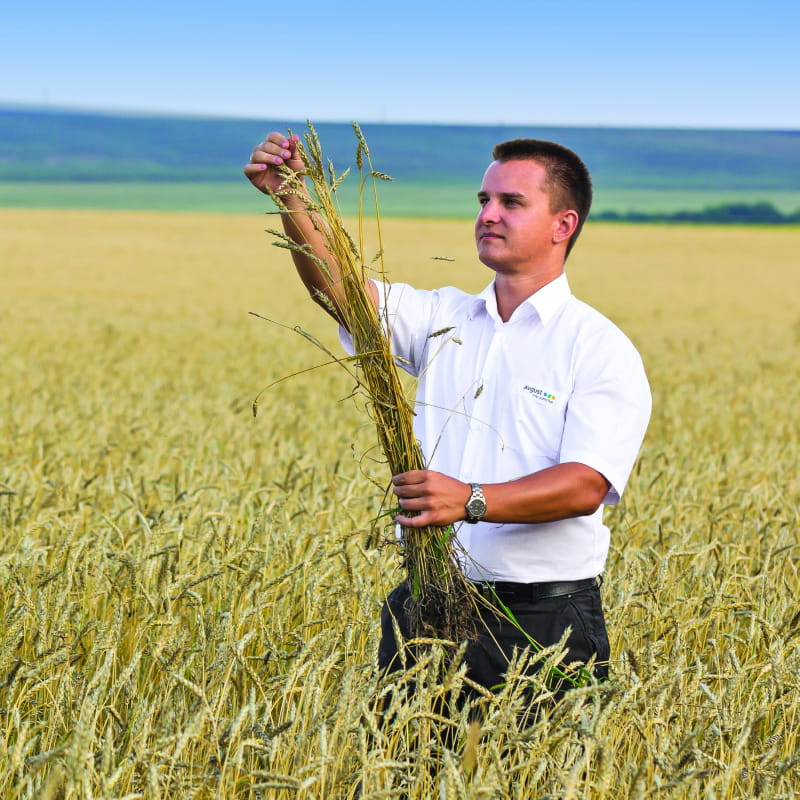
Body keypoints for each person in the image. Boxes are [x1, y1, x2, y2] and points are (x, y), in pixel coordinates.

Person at [244, 131, 651, 701]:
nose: (489, 214)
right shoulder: (444, 317)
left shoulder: (598, 347)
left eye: (512, 203)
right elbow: (342, 296)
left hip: (542, 624)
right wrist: (290, 196)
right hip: (427, 606)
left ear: (564, 225)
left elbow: (587, 484)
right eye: (484, 201)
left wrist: (470, 499)